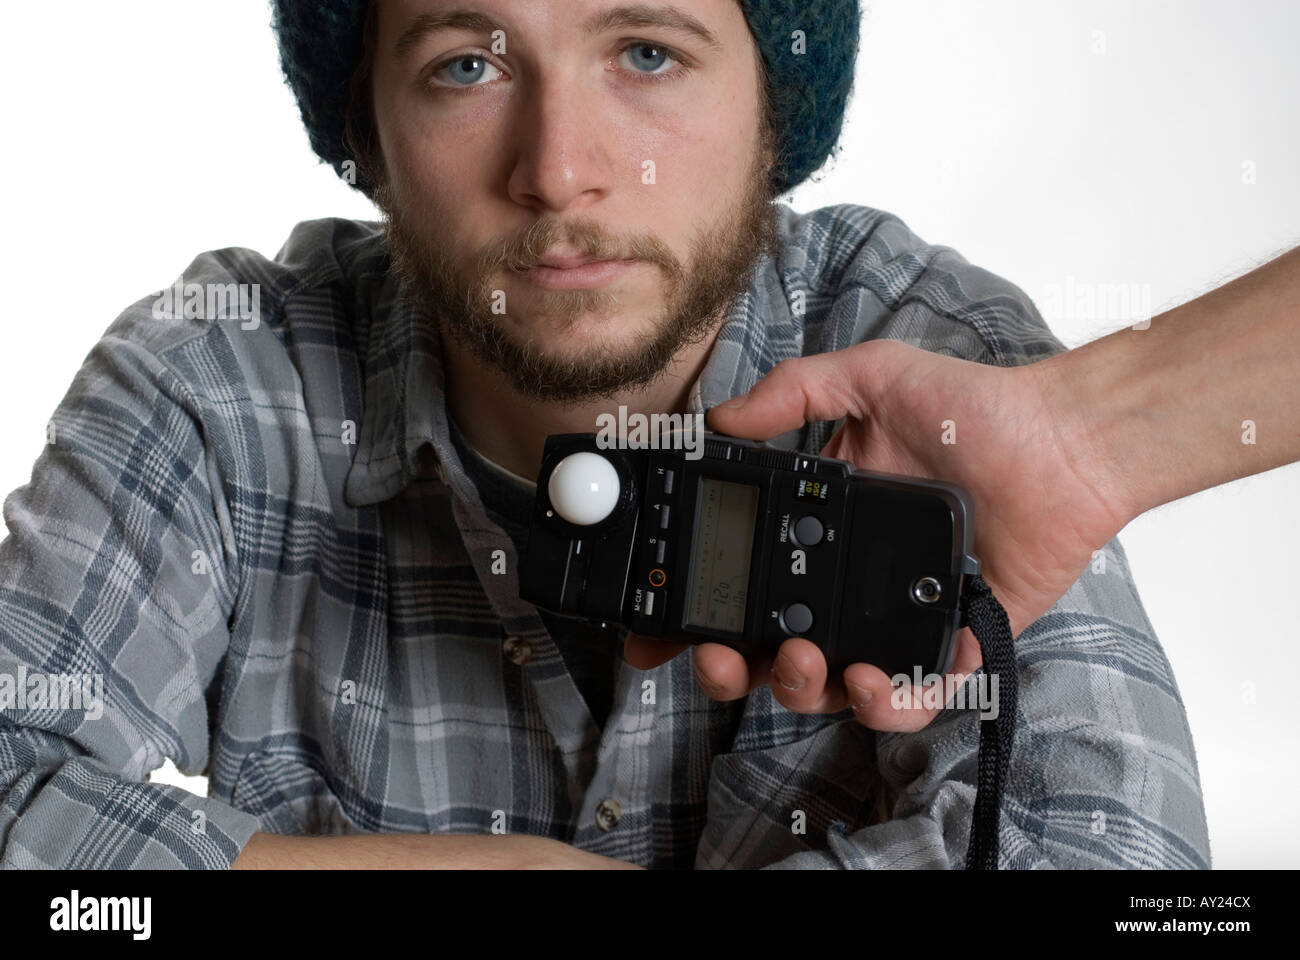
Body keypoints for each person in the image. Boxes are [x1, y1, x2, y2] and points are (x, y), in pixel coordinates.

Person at [0, 0, 1209, 869]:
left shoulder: (933, 363)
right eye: (466, 64)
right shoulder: (221, 377)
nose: (560, 170)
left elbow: (1109, 850)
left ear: (772, 114)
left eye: (646, 51)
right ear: (362, 131)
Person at [630, 242, 1300, 726]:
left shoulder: (938, 326)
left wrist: (1074, 441)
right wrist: (1075, 445)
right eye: (515, 66)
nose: (558, 171)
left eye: (650, 54)